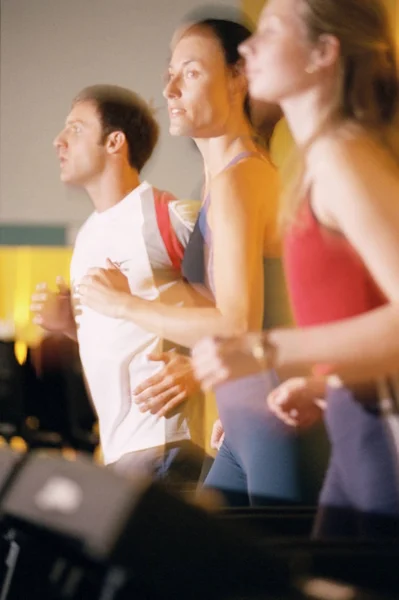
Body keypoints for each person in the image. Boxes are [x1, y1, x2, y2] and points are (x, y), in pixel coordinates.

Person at [77, 17, 315, 507]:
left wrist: (124, 305)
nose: (168, 87)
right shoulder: (220, 183)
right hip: (241, 419)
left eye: (189, 72)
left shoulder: (239, 180)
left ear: (237, 78)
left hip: (274, 420)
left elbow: (236, 322)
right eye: (169, 73)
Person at [192, 0, 399, 536]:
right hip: (354, 422)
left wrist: (268, 350)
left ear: (323, 53)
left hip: (381, 438)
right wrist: (326, 383)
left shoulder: (342, 156)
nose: (247, 47)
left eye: (273, 31)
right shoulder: (319, 163)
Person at [30, 84, 206, 486]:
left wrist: (200, 367)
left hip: (165, 443)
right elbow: (124, 334)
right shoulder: (89, 233)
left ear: (115, 142)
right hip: (118, 449)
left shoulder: (170, 216)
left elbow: (243, 309)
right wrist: (68, 326)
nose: (58, 141)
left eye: (75, 129)